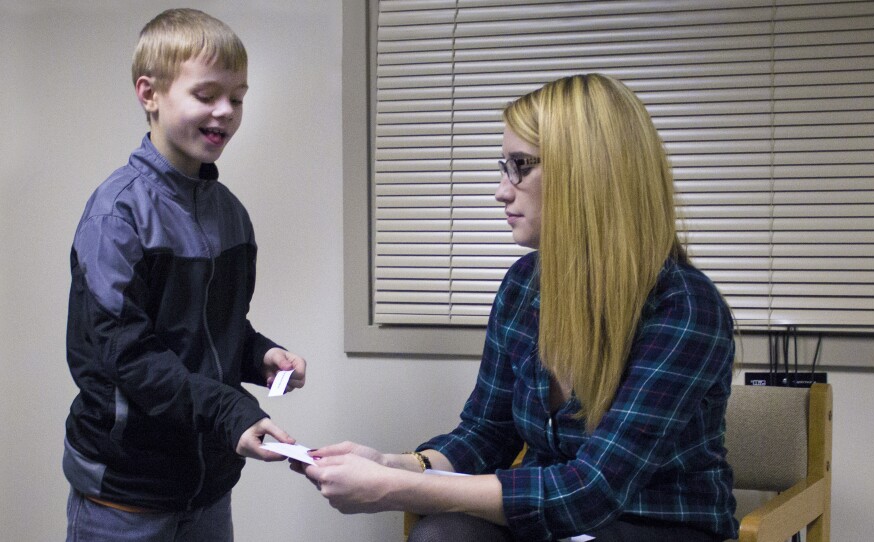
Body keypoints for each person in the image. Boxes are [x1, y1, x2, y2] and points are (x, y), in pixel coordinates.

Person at [296, 74, 738, 542]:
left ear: (587, 172)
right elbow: (487, 435)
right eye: (504, 166)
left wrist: (399, 489)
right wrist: (399, 464)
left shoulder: (685, 306)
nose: (502, 191)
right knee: (442, 536)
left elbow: (592, 490)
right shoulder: (524, 285)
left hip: (654, 524)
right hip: (554, 520)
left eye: (521, 166)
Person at [63, 8, 306, 541]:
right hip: (123, 495)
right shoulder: (116, 216)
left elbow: (211, 330)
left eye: (237, 98)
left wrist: (258, 354)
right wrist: (230, 411)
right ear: (149, 93)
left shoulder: (232, 215)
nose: (225, 111)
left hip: (207, 487)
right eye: (206, 95)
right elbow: (128, 354)